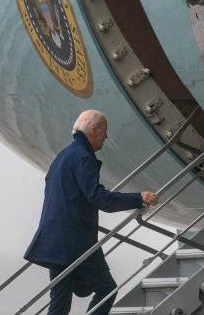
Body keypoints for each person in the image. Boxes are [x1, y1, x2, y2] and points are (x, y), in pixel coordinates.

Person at [24, 110, 159, 315]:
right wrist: (138, 197)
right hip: (75, 241)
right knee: (107, 289)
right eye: (104, 131)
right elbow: (99, 198)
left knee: (59, 305)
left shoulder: (63, 156)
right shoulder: (82, 157)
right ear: (94, 130)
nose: (106, 137)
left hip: (56, 241)